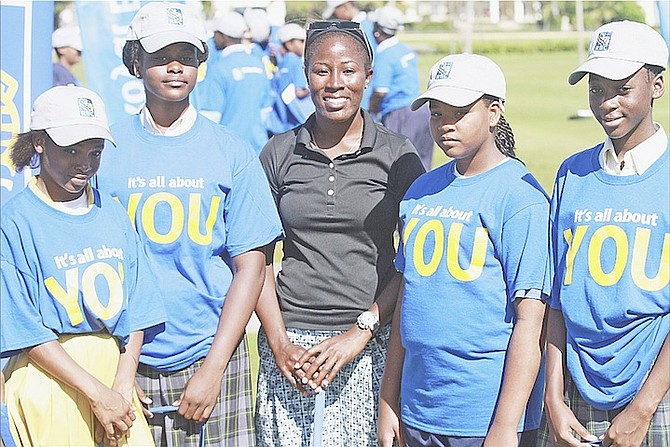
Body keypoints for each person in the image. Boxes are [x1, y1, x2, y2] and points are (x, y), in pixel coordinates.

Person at [94, 3, 283, 446]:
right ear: (135, 61)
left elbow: (251, 267)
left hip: (213, 357)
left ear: (202, 62)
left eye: (187, 55)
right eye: (161, 56)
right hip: (126, 364)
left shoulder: (231, 151)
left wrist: (214, 368)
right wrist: (114, 369)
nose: (175, 67)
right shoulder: (104, 153)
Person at [254, 19, 425, 447]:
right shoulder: (278, 151)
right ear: (305, 74)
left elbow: (415, 262)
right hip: (291, 347)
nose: (334, 83)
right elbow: (253, 261)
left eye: (348, 70)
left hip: (370, 342)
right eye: (320, 70)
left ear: (368, 77)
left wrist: (363, 330)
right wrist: (278, 344)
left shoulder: (397, 155)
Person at [378, 53, 550, 447]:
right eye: (437, 113)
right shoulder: (421, 190)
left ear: (493, 112)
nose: (445, 125)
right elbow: (409, 298)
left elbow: (531, 322)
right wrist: (390, 400)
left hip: (485, 417)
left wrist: (506, 426)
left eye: (459, 111)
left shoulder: (521, 197)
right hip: (419, 409)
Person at [0, 85, 164, 447]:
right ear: (40, 143)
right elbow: (24, 329)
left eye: (95, 152)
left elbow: (138, 306)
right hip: (50, 381)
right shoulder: (13, 222)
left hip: (115, 379)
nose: (85, 163)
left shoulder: (113, 212)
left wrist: (121, 383)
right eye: (71, 150)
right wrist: (95, 392)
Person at [540, 20, 669, 447]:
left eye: (622, 88)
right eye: (596, 89)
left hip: (656, 389)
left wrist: (644, 407)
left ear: (657, 85)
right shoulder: (571, 173)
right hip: (574, 392)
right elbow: (556, 297)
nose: (607, 102)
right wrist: (553, 398)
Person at [195, 11, 273, 155]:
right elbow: (265, 111)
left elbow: (210, 116)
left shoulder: (219, 68)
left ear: (223, 36)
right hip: (258, 148)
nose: (214, 38)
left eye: (216, 34)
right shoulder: (258, 64)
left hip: (228, 150)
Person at [368, 5, 434, 170]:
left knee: (400, 164)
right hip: (421, 110)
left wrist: (371, 110)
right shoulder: (405, 50)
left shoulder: (384, 55)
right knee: (423, 163)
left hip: (400, 113)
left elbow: (380, 91)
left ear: (377, 30)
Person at [266, 23, 315, 136]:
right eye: (301, 41)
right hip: (297, 122)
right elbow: (299, 92)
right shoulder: (295, 61)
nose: (305, 45)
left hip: (281, 124)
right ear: (289, 44)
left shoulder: (283, 62)